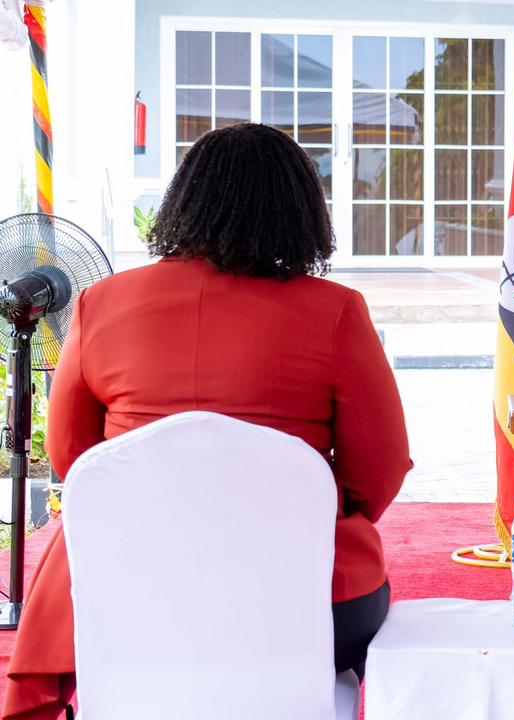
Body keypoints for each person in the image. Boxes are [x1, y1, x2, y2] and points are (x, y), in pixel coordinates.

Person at [3, 123, 413, 718]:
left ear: (183, 203)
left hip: (132, 592)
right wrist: (295, 507)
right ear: (299, 210)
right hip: (304, 599)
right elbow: (377, 472)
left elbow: (75, 461)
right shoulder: (336, 312)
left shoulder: (101, 304)